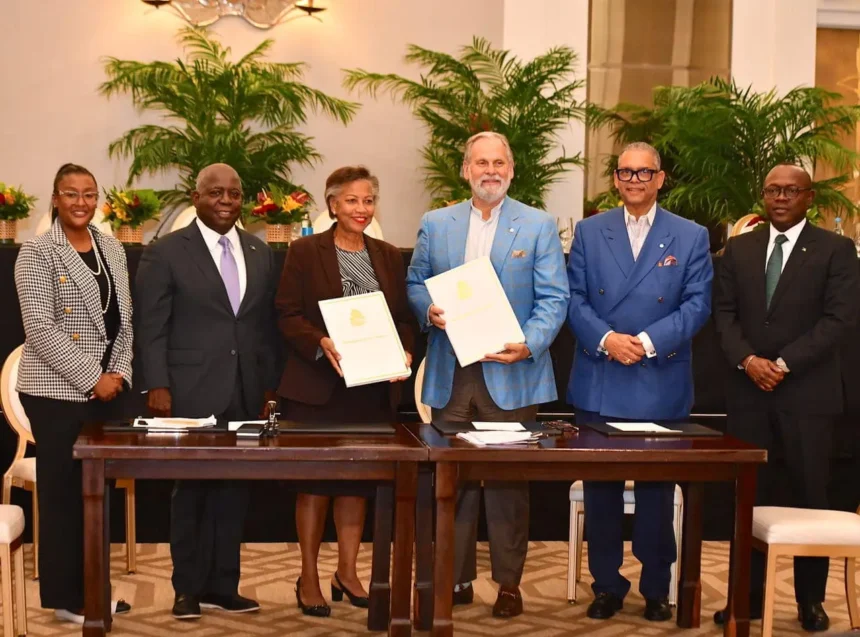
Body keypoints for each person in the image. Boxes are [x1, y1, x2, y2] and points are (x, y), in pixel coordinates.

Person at [407, 131, 569, 619]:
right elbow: (415, 281)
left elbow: (554, 299)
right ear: (466, 170)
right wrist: (428, 311)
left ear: (512, 170)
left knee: (506, 485)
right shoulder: (436, 223)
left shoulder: (538, 225)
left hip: (511, 373)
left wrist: (529, 345)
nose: (491, 171)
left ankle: (509, 583)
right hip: (451, 375)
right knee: (449, 482)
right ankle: (454, 578)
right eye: (481, 163)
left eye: (499, 162)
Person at [566, 142, 713, 622]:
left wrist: (646, 341)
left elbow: (697, 305)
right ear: (614, 179)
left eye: (643, 172)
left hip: (659, 377)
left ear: (660, 178)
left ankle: (656, 587)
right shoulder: (589, 231)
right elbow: (573, 297)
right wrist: (608, 339)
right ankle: (606, 585)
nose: (634, 180)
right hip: (602, 375)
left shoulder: (690, 236)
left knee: (655, 494)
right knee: (601, 494)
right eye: (625, 172)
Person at [713, 164, 860, 632]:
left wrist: (783, 363)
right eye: (773, 190)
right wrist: (749, 360)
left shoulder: (836, 250)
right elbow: (724, 314)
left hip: (808, 397)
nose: (781, 198)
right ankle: (747, 599)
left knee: (810, 498)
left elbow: (840, 320)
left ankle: (810, 602)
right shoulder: (739, 249)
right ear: (764, 194)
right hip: (748, 394)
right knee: (749, 500)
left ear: (809, 197)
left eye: (791, 191)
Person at [135, 163, 280, 620]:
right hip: (188, 390)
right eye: (215, 192)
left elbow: (264, 328)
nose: (225, 201)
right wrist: (156, 383)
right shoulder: (166, 252)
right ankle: (186, 589)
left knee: (234, 490)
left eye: (234, 194)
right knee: (191, 491)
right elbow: (151, 326)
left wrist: (270, 388)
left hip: (245, 390)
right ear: (195, 198)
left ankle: (224, 586)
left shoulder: (260, 251)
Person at [276, 166, 415, 617]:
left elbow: (404, 319)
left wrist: (405, 353)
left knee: (357, 484)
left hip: (371, 390)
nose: (361, 209)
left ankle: (348, 572)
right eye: (352, 200)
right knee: (315, 485)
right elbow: (287, 314)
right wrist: (321, 343)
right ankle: (310, 576)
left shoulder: (390, 255)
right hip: (318, 387)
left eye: (369, 200)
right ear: (332, 204)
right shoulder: (303, 251)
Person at [14, 163, 133, 623]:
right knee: (64, 496)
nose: (81, 202)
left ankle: (94, 588)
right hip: (54, 391)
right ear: (55, 198)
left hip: (107, 389)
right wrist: (92, 377)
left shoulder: (112, 247)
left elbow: (125, 320)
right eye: (71, 194)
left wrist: (118, 372)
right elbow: (41, 331)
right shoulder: (37, 252)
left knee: (97, 496)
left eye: (89, 194)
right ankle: (67, 598)